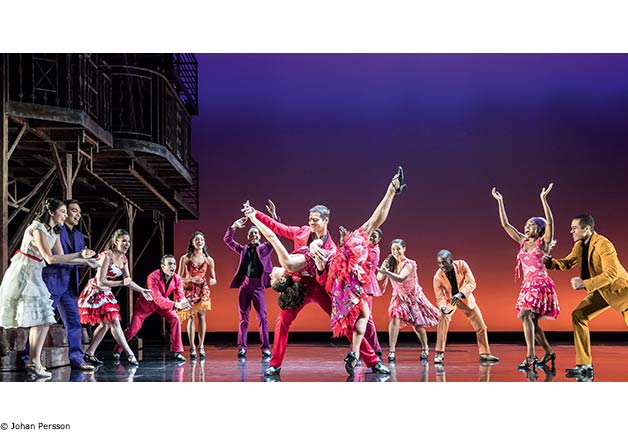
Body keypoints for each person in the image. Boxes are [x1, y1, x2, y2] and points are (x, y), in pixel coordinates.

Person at [241, 168, 404, 376]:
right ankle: (275, 364)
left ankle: (372, 362)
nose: (311, 222)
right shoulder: (302, 232)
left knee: (345, 323)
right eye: (310, 218)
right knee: (282, 322)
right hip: (298, 286)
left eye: (315, 219)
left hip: (320, 287)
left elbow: (325, 278)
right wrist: (255, 214)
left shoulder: (331, 250)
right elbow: (277, 228)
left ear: (326, 220)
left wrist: (319, 267)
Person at [0, 198, 96, 378]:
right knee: (27, 315)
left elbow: (62, 257)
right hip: (26, 272)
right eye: (63, 212)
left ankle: (34, 362)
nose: (66, 216)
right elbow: (50, 258)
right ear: (51, 212)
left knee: (44, 319)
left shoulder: (55, 231)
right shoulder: (37, 228)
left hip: (38, 273)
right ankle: (27, 356)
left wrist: (86, 261)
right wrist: (80, 254)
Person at [545, 214, 628, 379]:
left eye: (574, 228)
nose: (571, 231)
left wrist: (585, 283)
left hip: (622, 292)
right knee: (579, 315)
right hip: (602, 291)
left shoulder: (604, 244)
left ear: (587, 228)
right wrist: (550, 263)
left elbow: (611, 274)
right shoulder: (579, 245)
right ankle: (584, 365)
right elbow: (567, 262)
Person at [491, 183, 560, 371]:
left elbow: (550, 223)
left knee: (524, 314)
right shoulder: (522, 241)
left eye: (532, 225)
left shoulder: (543, 244)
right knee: (532, 323)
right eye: (527, 224)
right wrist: (500, 201)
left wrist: (543, 199)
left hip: (541, 284)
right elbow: (506, 225)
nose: (528, 227)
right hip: (527, 285)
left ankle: (530, 355)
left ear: (539, 230)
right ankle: (549, 352)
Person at [78, 229, 153, 365]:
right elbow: (101, 281)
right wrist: (120, 283)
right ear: (115, 241)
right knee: (114, 321)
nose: (127, 244)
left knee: (105, 324)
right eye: (123, 241)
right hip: (96, 291)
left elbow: (127, 280)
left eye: (128, 241)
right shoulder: (107, 256)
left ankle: (89, 353)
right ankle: (129, 353)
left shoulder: (123, 258)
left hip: (106, 292)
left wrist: (142, 290)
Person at [41, 199, 98, 372]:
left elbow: (78, 261)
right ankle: (30, 358)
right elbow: (56, 258)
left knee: (74, 322)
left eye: (79, 212)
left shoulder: (79, 236)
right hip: (52, 281)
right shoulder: (55, 230)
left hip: (70, 284)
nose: (77, 215)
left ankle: (77, 358)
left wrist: (88, 260)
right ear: (64, 213)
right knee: (42, 322)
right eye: (73, 211)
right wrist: (82, 259)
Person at [113, 255, 191, 362]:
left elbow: (180, 294)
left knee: (175, 319)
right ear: (162, 266)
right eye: (170, 264)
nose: (173, 266)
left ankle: (177, 352)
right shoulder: (153, 276)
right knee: (133, 330)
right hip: (146, 304)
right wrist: (177, 305)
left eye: (174, 264)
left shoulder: (177, 278)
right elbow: (157, 298)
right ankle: (118, 349)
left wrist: (184, 302)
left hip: (164, 303)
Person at [223, 207, 275, 359]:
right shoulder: (244, 249)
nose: (253, 236)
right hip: (245, 286)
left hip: (258, 286)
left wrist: (273, 216)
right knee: (243, 318)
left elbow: (274, 236)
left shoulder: (265, 248)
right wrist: (233, 227)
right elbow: (228, 240)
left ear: (260, 235)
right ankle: (242, 347)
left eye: (256, 233)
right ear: (247, 236)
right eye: (251, 234)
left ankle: (266, 348)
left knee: (262, 318)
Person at [432, 249, 499, 364]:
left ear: (451, 261)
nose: (442, 266)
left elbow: (472, 282)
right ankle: (439, 353)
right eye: (439, 263)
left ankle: (485, 353)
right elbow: (440, 296)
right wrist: (443, 307)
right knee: (443, 318)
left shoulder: (462, 265)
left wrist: (461, 294)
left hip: (464, 297)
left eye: (444, 262)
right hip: (450, 300)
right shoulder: (437, 276)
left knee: (481, 326)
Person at [377, 239, 439, 363]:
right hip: (399, 297)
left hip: (413, 297)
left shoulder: (409, 264)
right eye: (393, 249)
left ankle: (425, 348)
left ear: (404, 249)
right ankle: (392, 351)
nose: (395, 251)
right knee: (394, 316)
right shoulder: (390, 262)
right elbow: (379, 277)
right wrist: (384, 268)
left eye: (398, 249)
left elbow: (400, 278)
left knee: (417, 325)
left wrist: (387, 272)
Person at [177, 231, 216, 359]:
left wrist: (213, 280)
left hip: (202, 290)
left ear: (204, 242)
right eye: (197, 240)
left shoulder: (208, 259)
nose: (199, 242)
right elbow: (178, 278)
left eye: (201, 240)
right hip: (189, 289)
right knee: (192, 317)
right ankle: (192, 347)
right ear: (192, 242)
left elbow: (214, 277)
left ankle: (202, 345)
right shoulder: (185, 258)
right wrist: (191, 279)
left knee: (202, 317)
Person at [363, 227, 384, 358]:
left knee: (367, 318)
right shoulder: (365, 246)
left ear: (379, 239)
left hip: (367, 285)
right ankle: (360, 349)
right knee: (357, 318)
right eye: (370, 234)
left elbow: (365, 265)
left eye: (374, 236)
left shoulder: (374, 251)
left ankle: (376, 348)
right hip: (359, 283)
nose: (371, 237)